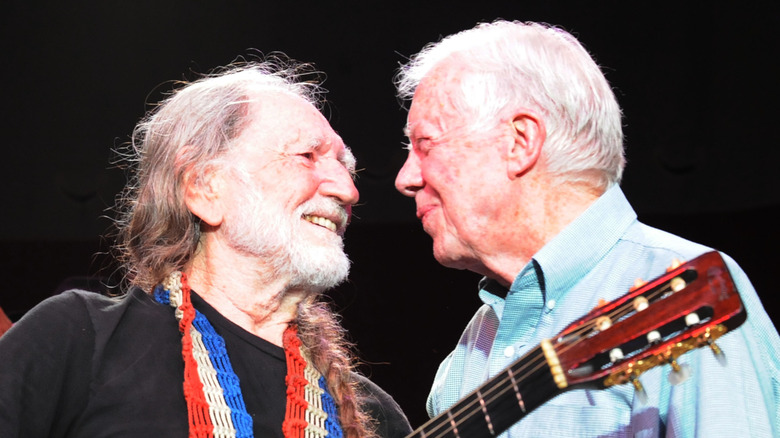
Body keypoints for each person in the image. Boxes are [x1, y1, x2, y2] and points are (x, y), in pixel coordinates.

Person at [394, 20, 780, 437]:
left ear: (520, 141)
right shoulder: (472, 349)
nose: (405, 177)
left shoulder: (680, 289)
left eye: (425, 144)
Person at [0, 60, 412, 438]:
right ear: (204, 188)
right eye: (307, 156)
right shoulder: (76, 339)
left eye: (346, 166)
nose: (348, 189)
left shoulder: (373, 416)